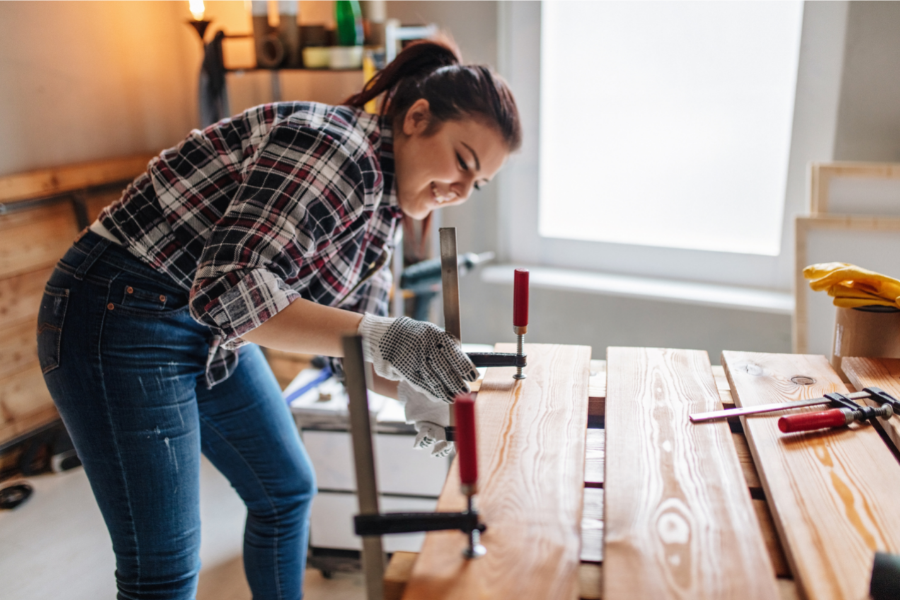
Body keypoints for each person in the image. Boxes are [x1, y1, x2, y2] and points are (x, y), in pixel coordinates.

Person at [36, 38, 521, 600]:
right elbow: (227, 289)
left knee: (285, 492)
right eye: (463, 161)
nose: (460, 191)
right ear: (416, 119)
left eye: (477, 183)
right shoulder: (334, 150)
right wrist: (389, 337)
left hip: (207, 326)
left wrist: (425, 397)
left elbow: (347, 342)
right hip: (118, 311)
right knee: (162, 569)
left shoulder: (385, 204)